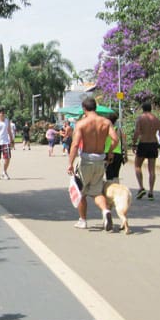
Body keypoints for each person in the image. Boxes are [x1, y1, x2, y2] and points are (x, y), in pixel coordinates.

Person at [67, 98, 119, 230]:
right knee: (97, 192)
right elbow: (115, 139)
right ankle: (105, 211)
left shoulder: (81, 124)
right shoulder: (106, 122)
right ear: (95, 107)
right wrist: (110, 151)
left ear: (84, 109)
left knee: (81, 192)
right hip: (100, 160)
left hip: (86, 160)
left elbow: (75, 144)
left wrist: (70, 163)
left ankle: (83, 220)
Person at [132, 102, 160, 200]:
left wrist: (134, 143)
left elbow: (137, 132)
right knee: (152, 169)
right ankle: (151, 191)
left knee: (137, 166)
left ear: (142, 109)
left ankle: (141, 187)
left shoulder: (140, 118)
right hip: (153, 143)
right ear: (151, 109)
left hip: (143, 143)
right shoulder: (156, 119)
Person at [104, 112, 127, 182]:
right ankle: (116, 186)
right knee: (116, 175)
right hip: (118, 154)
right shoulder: (119, 130)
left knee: (109, 175)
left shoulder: (105, 130)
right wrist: (125, 154)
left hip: (108, 153)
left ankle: (110, 187)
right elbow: (124, 143)